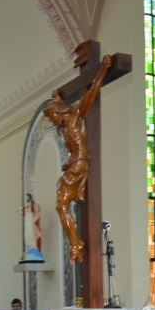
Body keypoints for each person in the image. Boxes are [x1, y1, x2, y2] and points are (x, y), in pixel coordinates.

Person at [44, 54, 113, 264]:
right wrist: (58, 97)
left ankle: (76, 244)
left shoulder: (76, 116)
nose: (52, 120)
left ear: (57, 112)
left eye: (51, 115)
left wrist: (103, 70)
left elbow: (92, 92)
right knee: (60, 204)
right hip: (74, 165)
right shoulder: (63, 127)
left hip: (80, 164)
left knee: (61, 203)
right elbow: (58, 104)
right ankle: (76, 243)